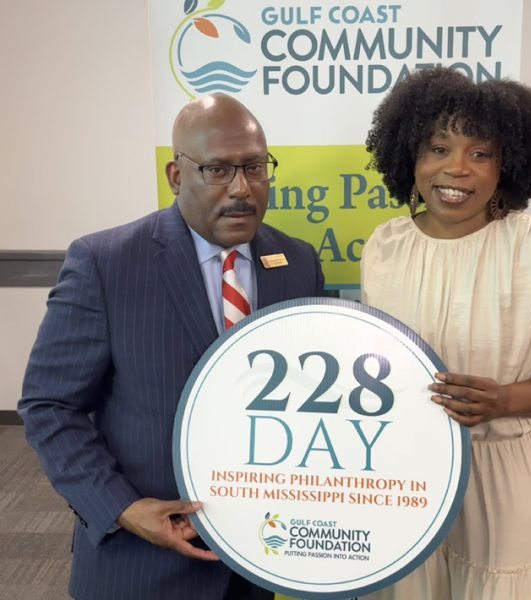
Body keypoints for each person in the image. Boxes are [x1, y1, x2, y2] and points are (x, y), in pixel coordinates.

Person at [18, 93, 324, 600]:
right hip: (140, 565)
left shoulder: (298, 263)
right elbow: (49, 405)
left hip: (257, 559)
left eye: (254, 167)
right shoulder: (106, 263)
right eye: (217, 170)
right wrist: (122, 508)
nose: (242, 188)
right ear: (176, 176)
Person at [359, 67, 531, 600]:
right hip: (404, 466)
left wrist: (505, 400)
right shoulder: (383, 247)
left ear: (508, 163)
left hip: (506, 472)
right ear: (410, 156)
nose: (456, 168)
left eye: (480, 153)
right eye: (438, 148)